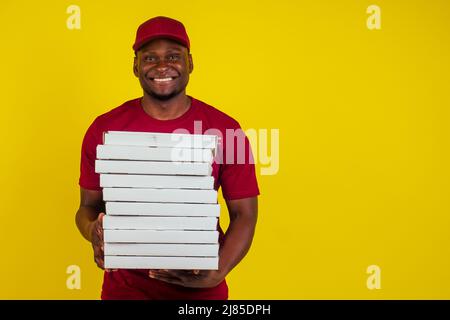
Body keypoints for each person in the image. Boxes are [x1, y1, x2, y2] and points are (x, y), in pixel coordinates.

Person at [75, 16, 259, 300]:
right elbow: (87, 207)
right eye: (150, 58)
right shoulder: (104, 129)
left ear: (190, 63)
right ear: (136, 66)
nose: (162, 66)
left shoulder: (226, 130)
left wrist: (218, 271)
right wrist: (92, 230)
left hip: (200, 290)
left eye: (174, 56)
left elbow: (244, 213)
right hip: (125, 290)